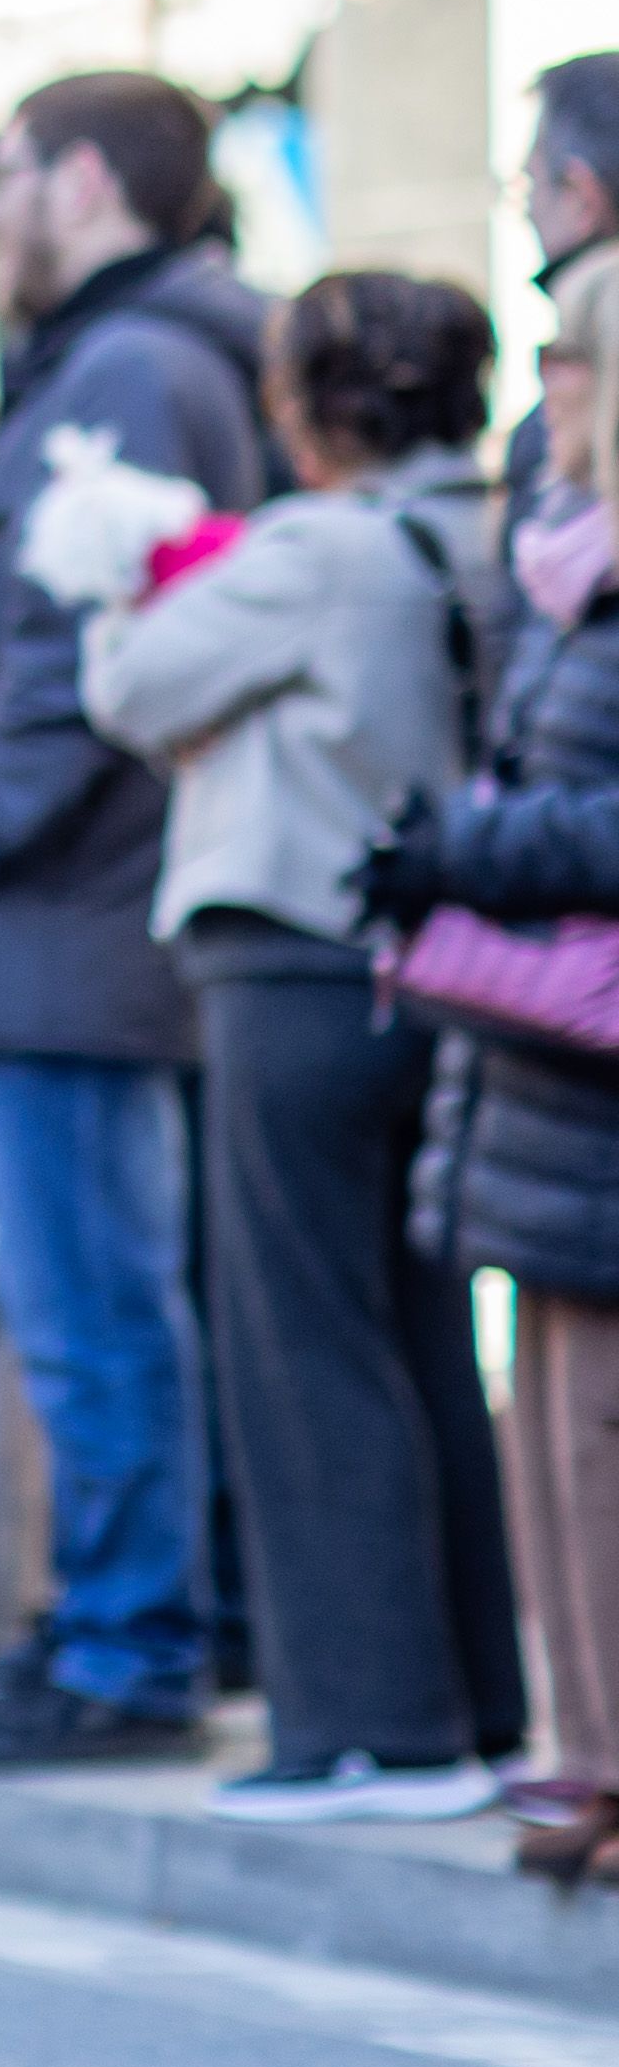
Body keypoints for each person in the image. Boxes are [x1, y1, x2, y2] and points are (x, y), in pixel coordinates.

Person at [63, 269, 528, 1817]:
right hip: (439, 969)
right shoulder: (490, 533)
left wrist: (132, 570)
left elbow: (130, 684)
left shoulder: (316, 550)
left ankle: (361, 1727)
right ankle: (473, 1704)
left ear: (311, 405)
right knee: (420, 1340)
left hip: (291, 963)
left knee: (299, 1340)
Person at [0, 70, 273, 1768]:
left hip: (67, 929)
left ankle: (131, 1644)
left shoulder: (129, 367)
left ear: (88, 184)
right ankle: (130, 1619)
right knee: (119, 1295)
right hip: (90, 925)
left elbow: (74, 663)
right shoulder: (154, 351)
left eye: (8, 177)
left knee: (99, 1302)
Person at [375, 251, 619, 1879]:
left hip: (589, 1042)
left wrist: (477, 844)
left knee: (594, 1414)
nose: (552, 397)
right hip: (541, 1045)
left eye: (576, 363)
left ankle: (602, 1762)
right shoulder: (557, 561)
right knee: (545, 1406)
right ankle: (579, 1746)